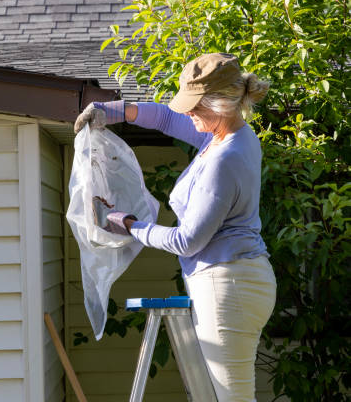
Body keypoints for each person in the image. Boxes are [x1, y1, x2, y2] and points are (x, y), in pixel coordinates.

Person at [75, 53, 277, 402]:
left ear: (221, 105)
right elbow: (168, 116)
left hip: (227, 285)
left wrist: (128, 224)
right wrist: (114, 110)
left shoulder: (223, 160)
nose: (188, 114)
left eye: (195, 107)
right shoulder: (229, 137)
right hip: (239, 279)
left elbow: (187, 241)